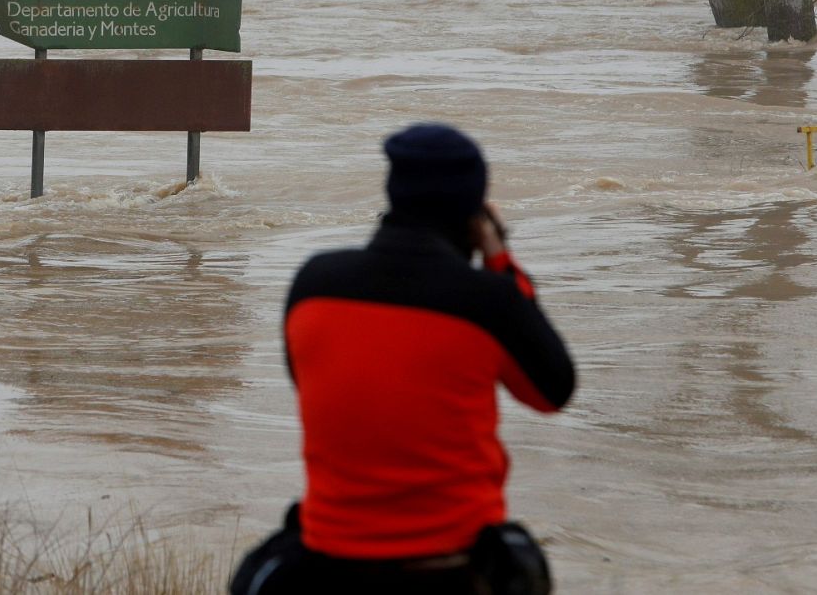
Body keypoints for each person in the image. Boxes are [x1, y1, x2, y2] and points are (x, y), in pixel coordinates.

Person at [231, 123, 576, 595]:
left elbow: (306, 381)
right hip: (450, 567)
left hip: (331, 563)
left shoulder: (313, 284)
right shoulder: (489, 300)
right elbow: (553, 391)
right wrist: (500, 257)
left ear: (393, 193)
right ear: (474, 212)